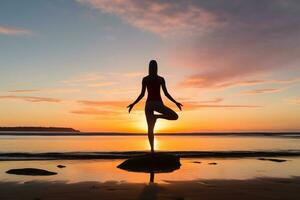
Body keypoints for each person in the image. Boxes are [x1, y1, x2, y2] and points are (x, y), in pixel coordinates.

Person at [127, 60, 182, 153]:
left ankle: (152, 150)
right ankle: (157, 117)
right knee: (174, 116)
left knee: (150, 129)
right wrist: (175, 102)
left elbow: (142, 94)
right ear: (156, 68)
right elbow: (166, 94)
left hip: (148, 105)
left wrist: (133, 104)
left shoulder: (145, 79)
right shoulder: (160, 79)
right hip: (158, 103)